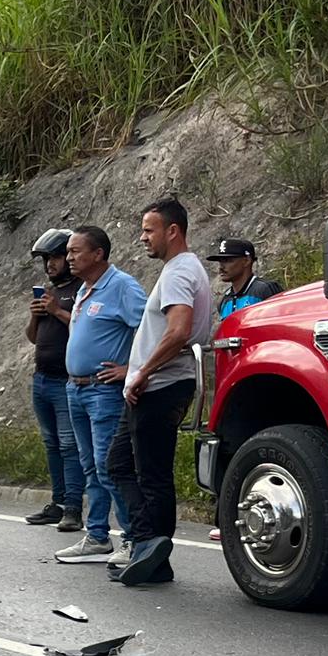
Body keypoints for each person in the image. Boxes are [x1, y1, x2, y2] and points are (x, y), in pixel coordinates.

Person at [106, 197, 214, 588]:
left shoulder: (178, 272)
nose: (142, 238)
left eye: (149, 230)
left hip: (159, 386)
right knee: (126, 464)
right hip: (161, 384)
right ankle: (151, 550)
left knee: (145, 472)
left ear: (173, 231)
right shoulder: (185, 268)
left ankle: (149, 545)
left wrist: (142, 373)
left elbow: (179, 330)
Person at [54, 225, 145, 565]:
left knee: (110, 466)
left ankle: (134, 540)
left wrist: (131, 369)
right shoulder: (86, 289)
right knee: (90, 466)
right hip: (75, 388)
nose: (69, 258)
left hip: (103, 390)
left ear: (98, 254)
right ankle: (96, 536)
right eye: (68, 252)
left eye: (76, 251)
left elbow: (150, 327)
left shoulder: (121, 286)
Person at [22, 230, 84, 530]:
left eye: (54, 257)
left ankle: (73, 505)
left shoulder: (81, 289)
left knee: (69, 445)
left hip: (65, 380)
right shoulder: (49, 292)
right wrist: (36, 315)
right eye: (46, 259)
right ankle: (57, 501)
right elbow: (33, 337)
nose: (50, 264)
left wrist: (56, 310)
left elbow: (85, 327)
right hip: (42, 379)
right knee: (51, 443)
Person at [211, 237, 282, 321]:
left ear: (247, 261)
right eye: (220, 261)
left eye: (228, 260)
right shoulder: (224, 301)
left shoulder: (264, 290)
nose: (221, 267)